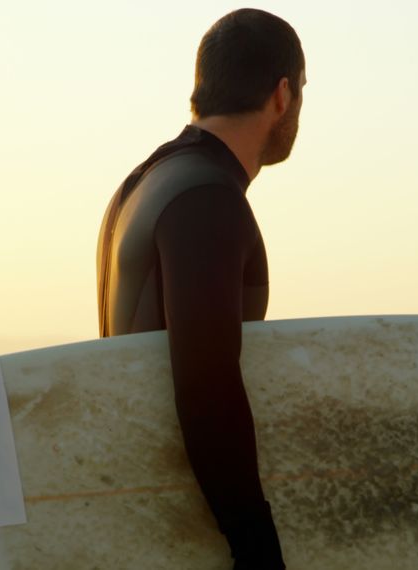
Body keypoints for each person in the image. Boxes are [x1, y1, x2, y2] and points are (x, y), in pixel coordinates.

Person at [95, 8, 306, 569]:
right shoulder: (206, 198)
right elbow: (206, 385)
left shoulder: (141, 185)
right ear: (282, 95)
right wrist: (256, 545)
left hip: (142, 517)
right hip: (189, 532)